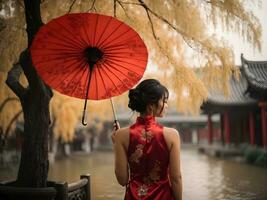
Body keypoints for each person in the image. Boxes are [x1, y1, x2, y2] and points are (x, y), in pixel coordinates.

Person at [111, 79, 182, 200]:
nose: (166, 105)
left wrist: (117, 142)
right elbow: (176, 178)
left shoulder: (121, 136)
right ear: (151, 106)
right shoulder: (172, 135)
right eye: (164, 101)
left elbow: (122, 180)